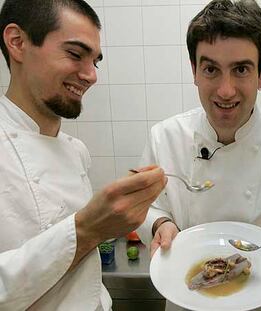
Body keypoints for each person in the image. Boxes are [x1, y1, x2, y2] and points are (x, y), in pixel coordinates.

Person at [136, 0, 261, 309]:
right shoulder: (164, 138)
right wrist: (160, 225)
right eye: (211, 69)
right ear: (195, 71)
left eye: (241, 69)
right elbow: (147, 209)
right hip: (187, 300)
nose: (225, 90)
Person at [0, 0, 166, 310]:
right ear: (17, 43)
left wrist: (116, 215)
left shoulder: (76, 151)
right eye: (76, 55)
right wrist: (88, 229)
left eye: (95, 61)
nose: (91, 75)